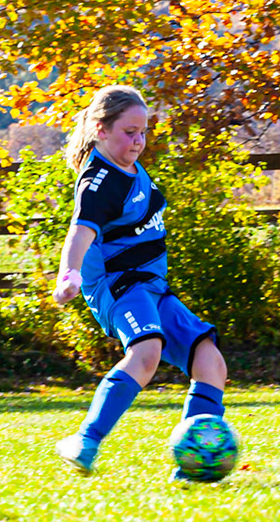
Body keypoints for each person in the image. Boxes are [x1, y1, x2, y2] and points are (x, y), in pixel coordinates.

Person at [50, 84, 230, 482]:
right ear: (101, 129)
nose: (138, 141)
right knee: (147, 352)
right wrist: (70, 275)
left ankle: (193, 467)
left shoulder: (127, 167)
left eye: (143, 132)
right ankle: (85, 441)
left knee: (210, 361)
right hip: (119, 285)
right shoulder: (99, 180)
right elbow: (80, 232)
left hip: (151, 286)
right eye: (130, 132)